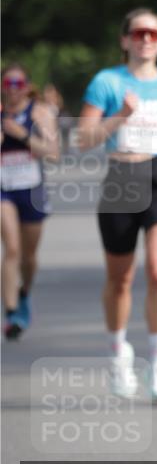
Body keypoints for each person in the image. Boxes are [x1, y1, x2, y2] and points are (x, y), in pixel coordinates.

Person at [79, 9, 157, 402]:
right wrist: (119, 117)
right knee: (121, 279)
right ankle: (118, 355)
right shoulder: (107, 82)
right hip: (121, 181)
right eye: (138, 33)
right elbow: (83, 138)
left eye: (154, 33)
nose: (146, 39)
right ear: (125, 39)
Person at [1, 65, 59, 339]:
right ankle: (12, 313)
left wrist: (22, 135)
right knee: (11, 249)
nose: (13, 88)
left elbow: (54, 153)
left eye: (18, 82)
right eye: (8, 82)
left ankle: (24, 292)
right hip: (4, 191)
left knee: (28, 256)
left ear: (26, 85)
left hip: (32, 191)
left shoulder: (38, 113)